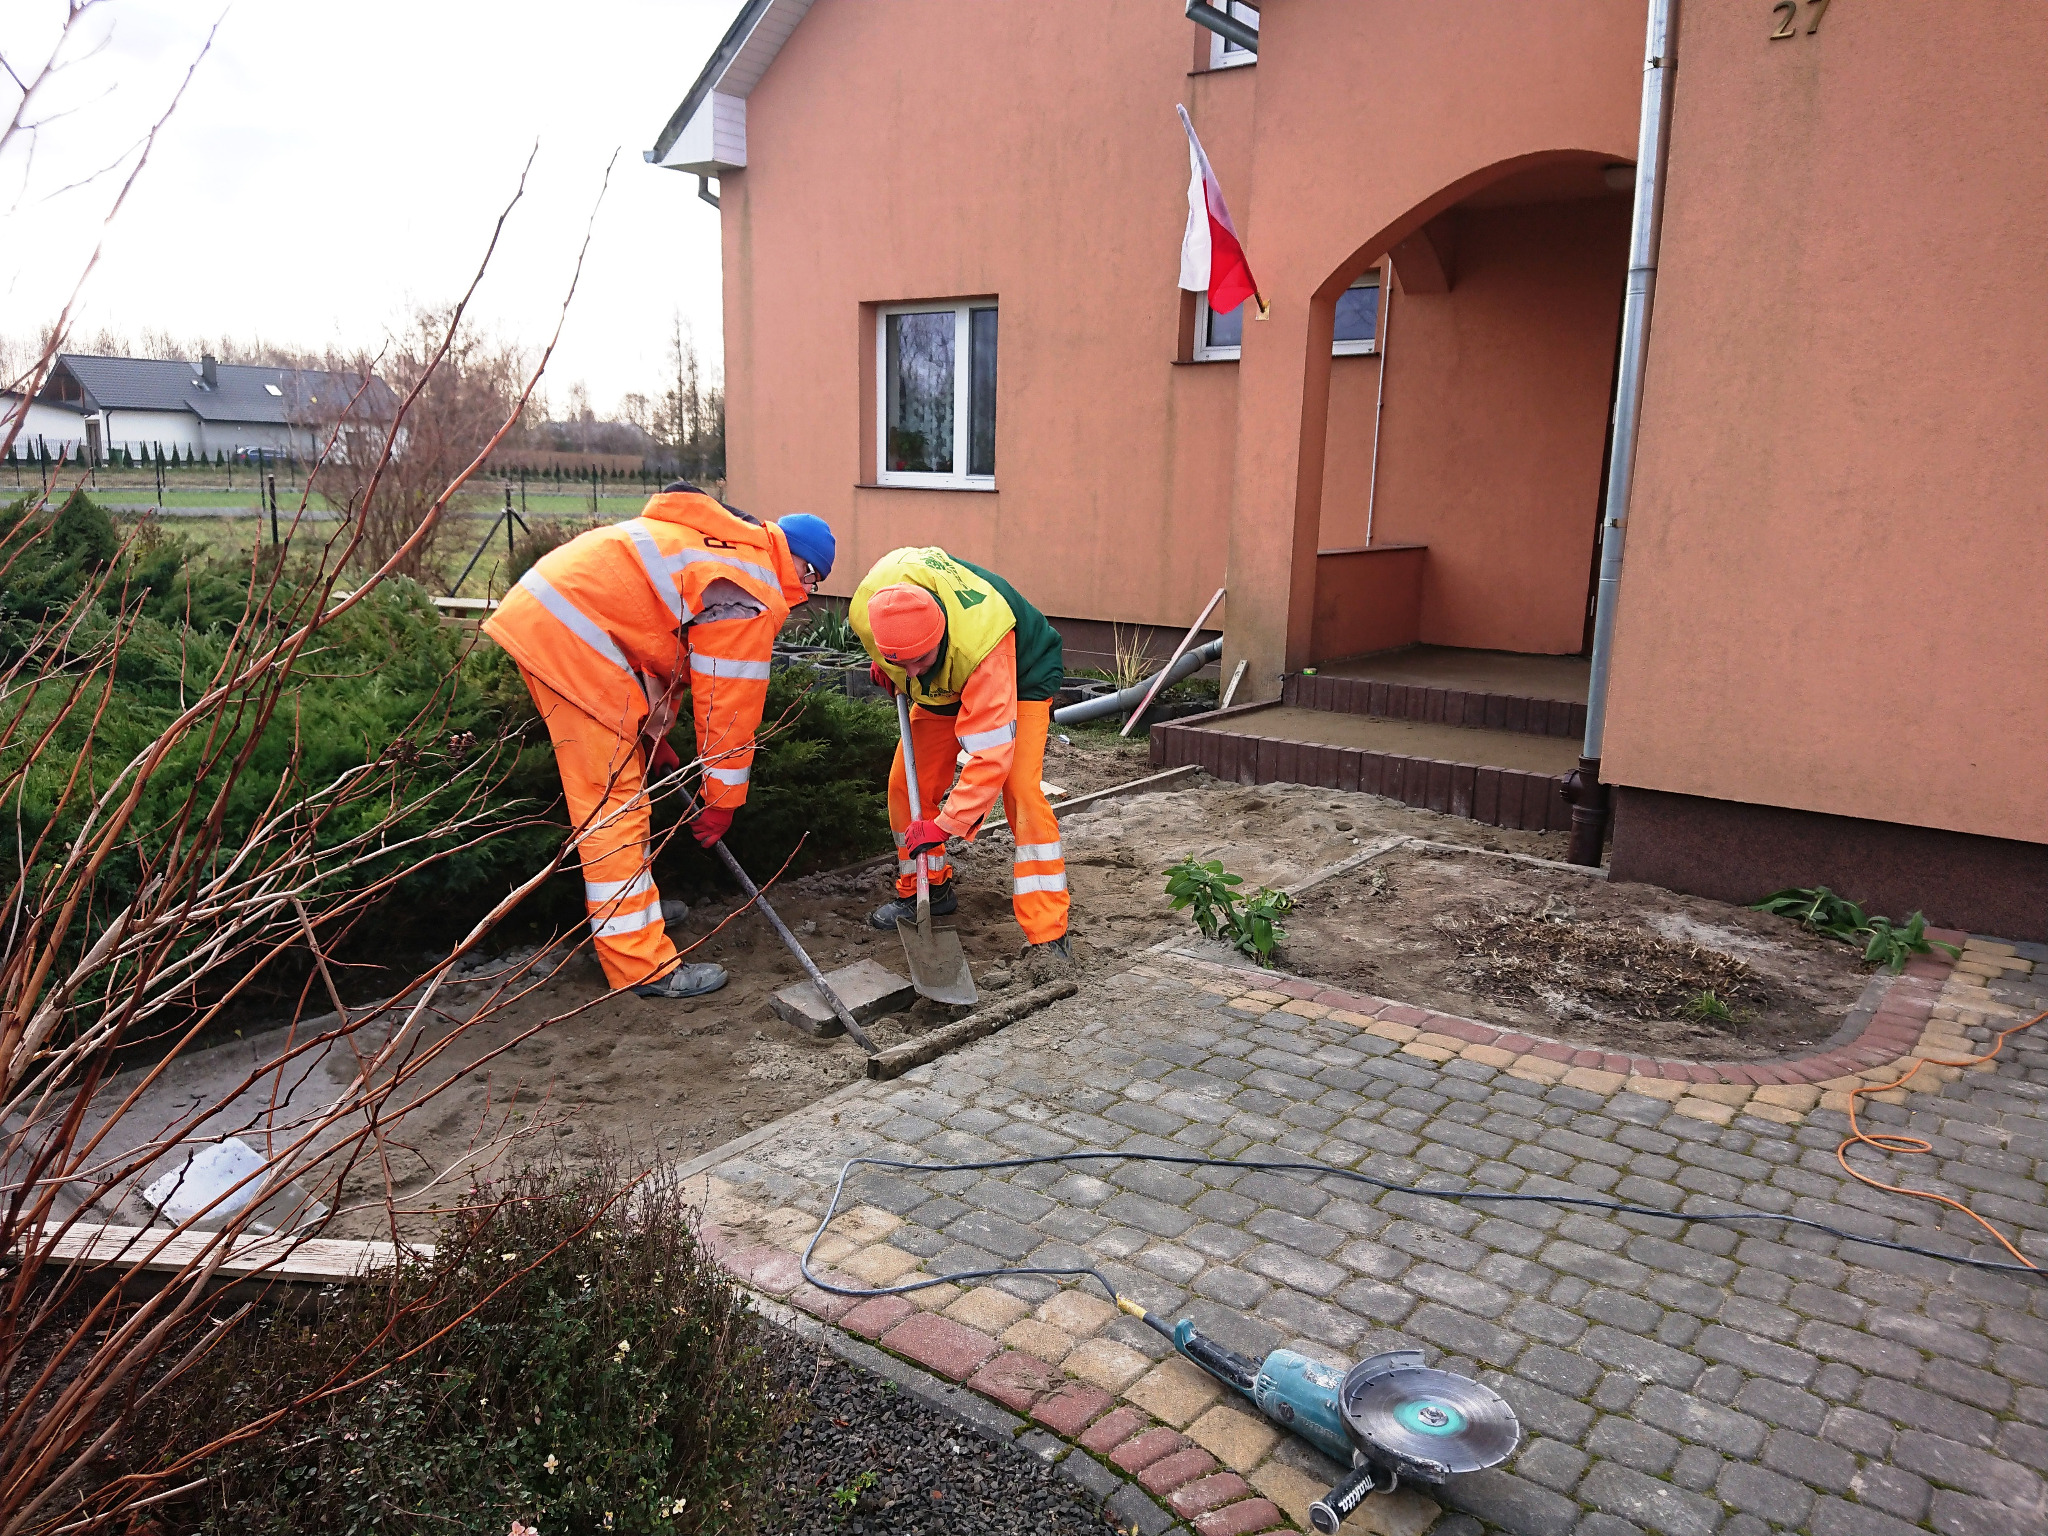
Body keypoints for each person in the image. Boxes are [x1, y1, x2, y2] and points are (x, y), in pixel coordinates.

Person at [483, 484, 835, 999]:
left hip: (563, 625)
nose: (810, 587)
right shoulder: (749, 585)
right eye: (813, 575)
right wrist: (722, 800)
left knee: (623, 798)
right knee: (614, 811)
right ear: (799, 561)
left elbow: (660, 647)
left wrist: (653, 735)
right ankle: (641, 963)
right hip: (574, 640)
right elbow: (728, 705)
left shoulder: (724, 548)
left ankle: (633, 911)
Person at [848, 545, 1071, 967]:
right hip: (944, 682)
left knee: (1021, 791)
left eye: (919, 660)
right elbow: (905, 657)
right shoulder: (868, 609)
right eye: (902, 663)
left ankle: (1048, 933)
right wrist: (890, 664)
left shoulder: (982, 646)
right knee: (904, 783)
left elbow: (990, 757)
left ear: (941, 637)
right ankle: (928, 889)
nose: (911, 672)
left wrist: (946, 825)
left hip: (1021, 674)